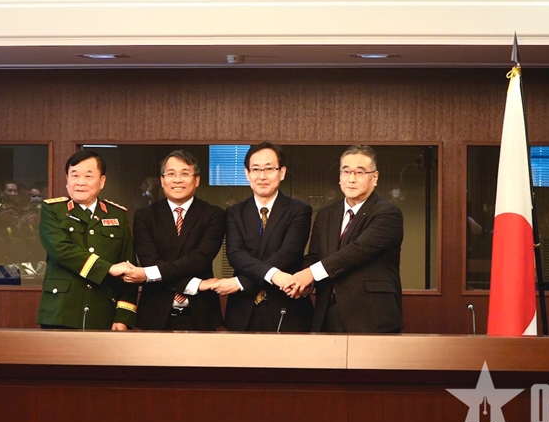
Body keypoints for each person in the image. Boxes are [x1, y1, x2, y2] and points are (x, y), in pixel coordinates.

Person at [288, 145, 404, 333]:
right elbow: (314, 256)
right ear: (340, 176)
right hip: (327, 313)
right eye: (346, 171)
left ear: (375, 177)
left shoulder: (387, 213)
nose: (351, 179)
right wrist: (305, 284)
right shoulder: (326, 214)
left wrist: (310, 273)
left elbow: (357, 251)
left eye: (360, 172)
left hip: (371, 315)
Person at [123, 150, 226, 331]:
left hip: (202, 313)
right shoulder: (144, 216)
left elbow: (199, 259)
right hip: (154, 313)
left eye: (185, 174)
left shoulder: (214, 215)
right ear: (162, 180)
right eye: (171, 174)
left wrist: (149, 274)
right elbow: (149, 261)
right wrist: (196, 284)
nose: (177, 180)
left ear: (197, 180)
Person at [218, 142, 314, 332]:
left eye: (269, 169)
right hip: (243, 310)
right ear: (247, 174)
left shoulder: (299, 210)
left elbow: (289, 254)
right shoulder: (234, 212)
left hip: (287, 307)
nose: (262, 176)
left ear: (282, 172)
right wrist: (275, 276)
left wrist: (242, 282)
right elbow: (235, 255)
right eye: (255, 169)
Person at [37, 151, 137, 330]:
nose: (80, 182)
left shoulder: (117, 215)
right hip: (61, 312)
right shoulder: (53, 210)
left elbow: (128, 266)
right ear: (67, 179)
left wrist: (123, 316)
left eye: (88, 176)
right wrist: (108, 268)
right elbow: (61, 251)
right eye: (74, 175)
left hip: (104, 311)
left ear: (102, 181)